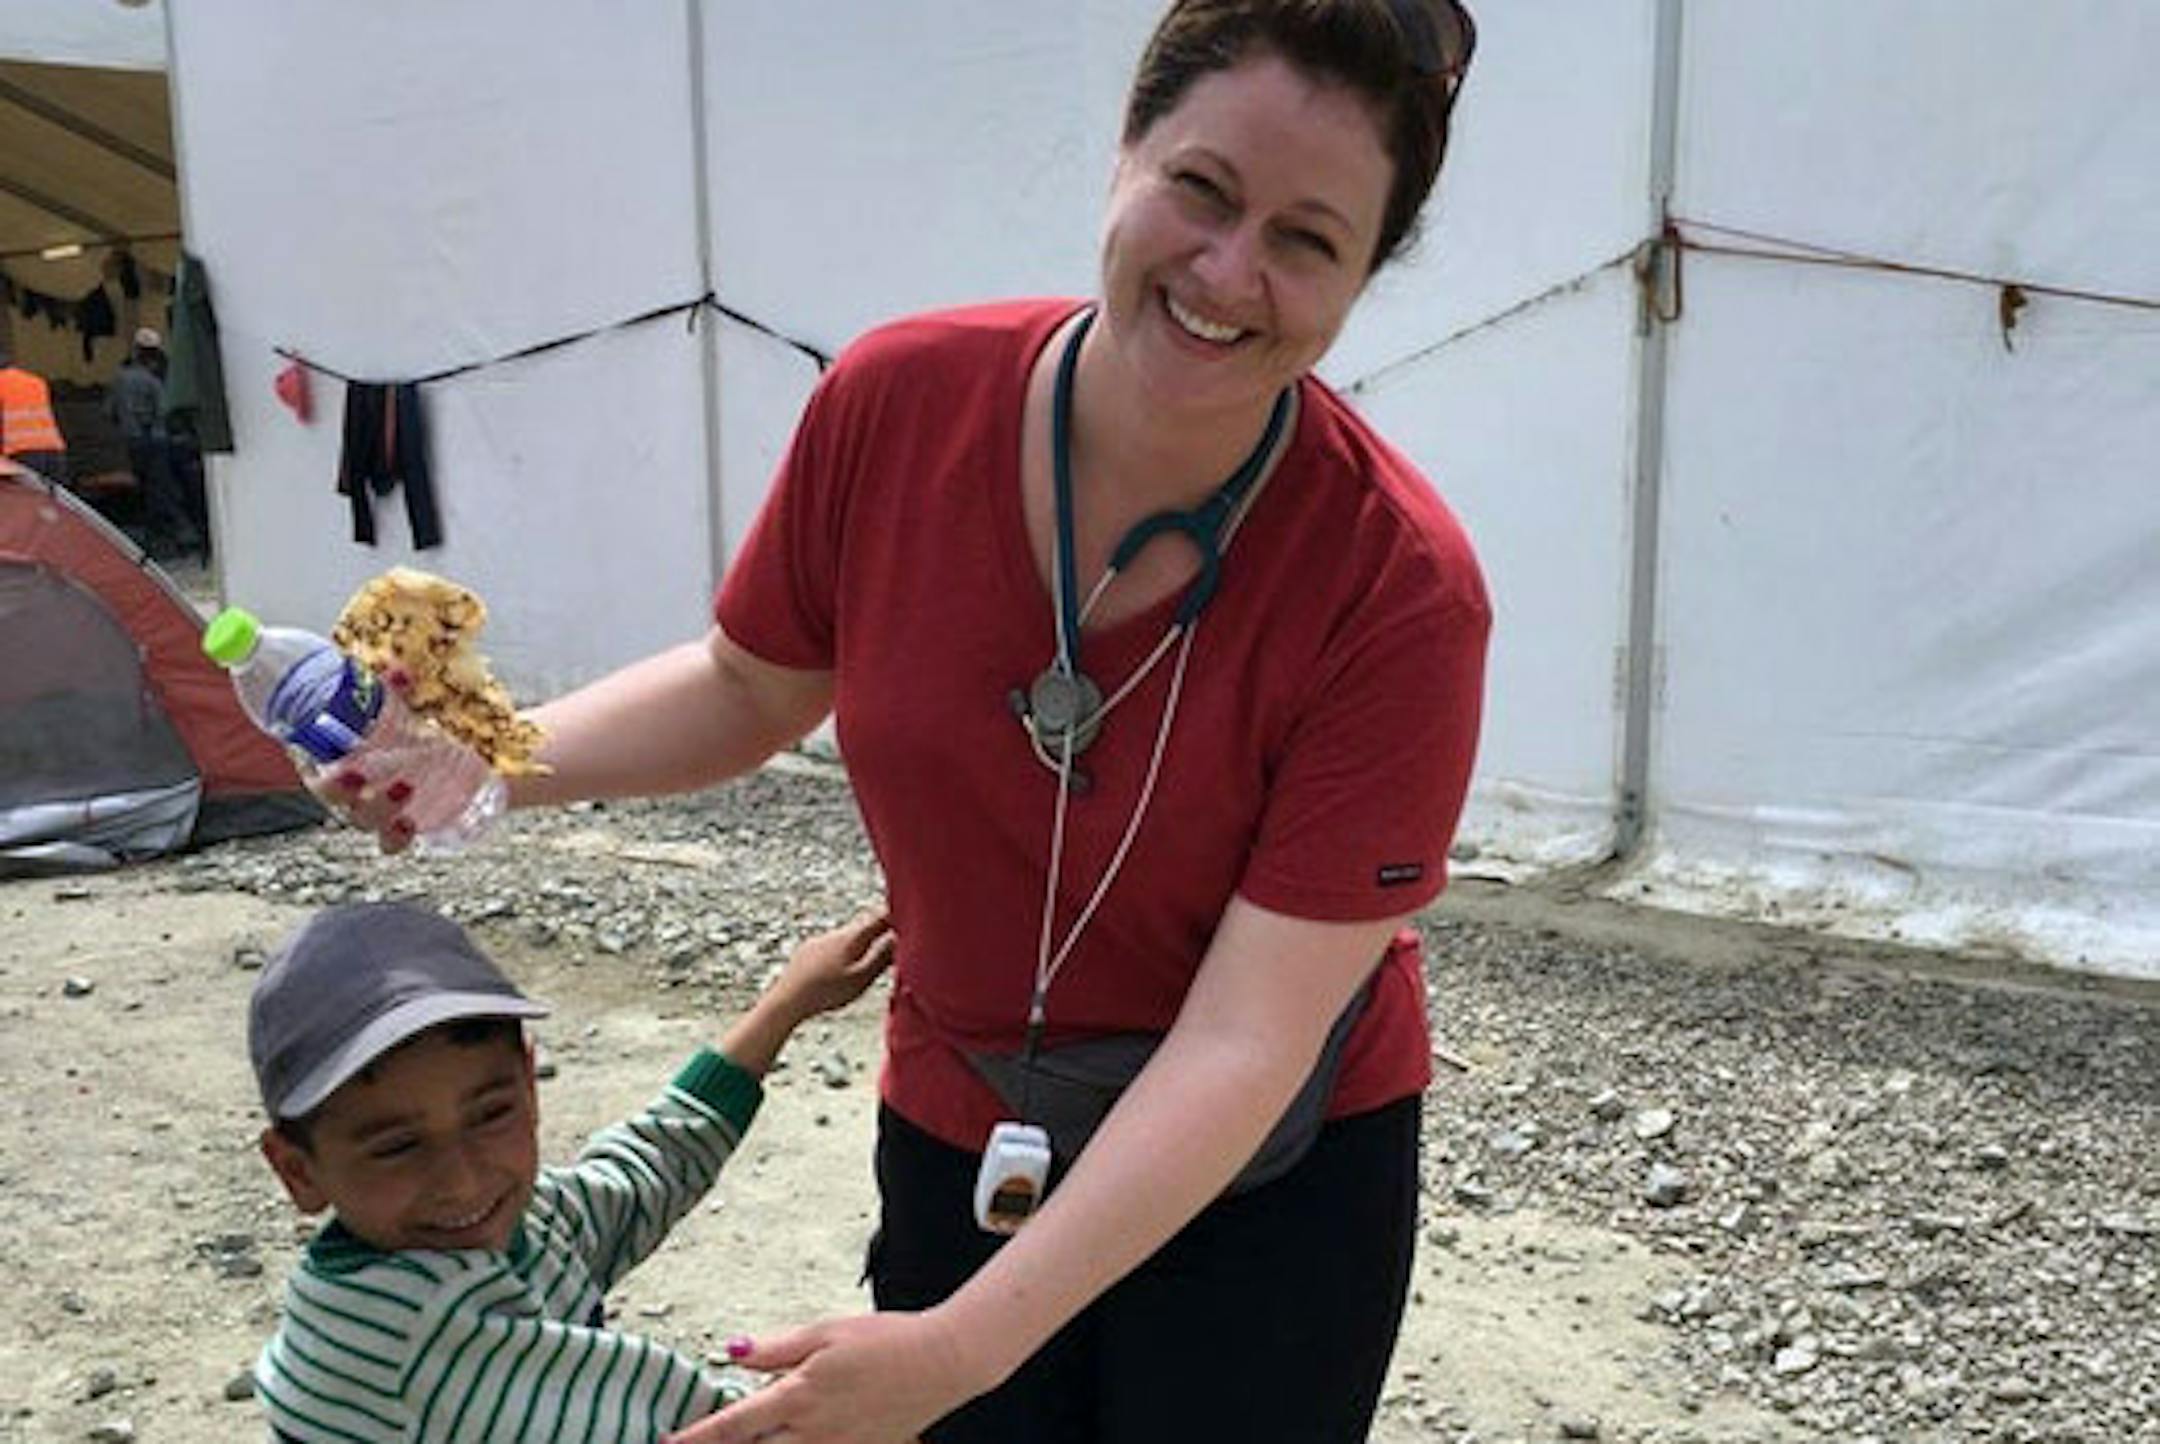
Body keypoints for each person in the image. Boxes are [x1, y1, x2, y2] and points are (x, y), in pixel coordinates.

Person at [336, 2, 1486, 1439]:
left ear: (1368, 274)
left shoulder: (1400, 592)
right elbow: (751, 683)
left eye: (1308, 239)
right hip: (968, 1110)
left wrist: (962, 1348)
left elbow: (1245, 1044)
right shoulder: (896, 404)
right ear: (1125, 149)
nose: (1229, 270)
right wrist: (487, 758)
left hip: (1267, 1170)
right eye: (1202, 189)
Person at [248, 900, 895, 1442]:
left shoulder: (506, 1224)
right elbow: (686, 1429)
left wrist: (786, 1003)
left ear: (529, 1085)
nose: (464, 1180)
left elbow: (643, 1172)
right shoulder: (402, 1330)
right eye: (396, 1147)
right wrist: (892, 1395)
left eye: (490, 1114)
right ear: (297, 1171)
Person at [107, 327, 206, 561]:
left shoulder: (119, 379)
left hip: (133, 443)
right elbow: (165, 411)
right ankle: (176, 540)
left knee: (146, 490)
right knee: (164, 491)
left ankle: (156, 541)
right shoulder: (153, 380)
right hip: (157, 443)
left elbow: (109, 411)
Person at [0, 346, 69, 487]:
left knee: (22, 504)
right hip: (53, 452)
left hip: (20, 456)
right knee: (52, 504)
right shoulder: (37, 382)